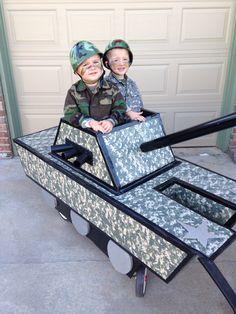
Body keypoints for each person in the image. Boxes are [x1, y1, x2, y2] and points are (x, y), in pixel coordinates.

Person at [64, 40, 127, 133]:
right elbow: (70, 114)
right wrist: (89, 122)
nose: (92, 67)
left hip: (108, 134)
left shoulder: (112, 89)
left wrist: (111, 121)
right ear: (77, 71)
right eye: (85, 65)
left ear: (102, 64)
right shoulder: (74, 91)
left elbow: (121, 109)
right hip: (85, 136)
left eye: (96, 62)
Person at [103, 39, 145, 122]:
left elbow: (140, 106)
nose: (121, 63)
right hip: (116, 128)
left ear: (129, 62)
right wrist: (128, 112)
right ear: (107, 63)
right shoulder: (105, 84)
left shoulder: (132, 84)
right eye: (116, 60)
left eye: (125, 59)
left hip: (134, 126)